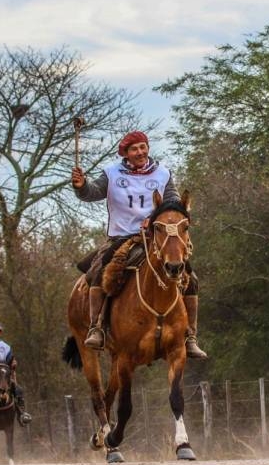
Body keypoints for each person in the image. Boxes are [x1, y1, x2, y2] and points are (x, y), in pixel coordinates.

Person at [71, 130, 208, 358]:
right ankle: (97, 328)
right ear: (126, 153)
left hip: (156, 236)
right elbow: (92, 193)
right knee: (97, 271)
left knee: (190, 277)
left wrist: (158, 216)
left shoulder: (162, 173)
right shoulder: (112, 173)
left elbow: (172, 201)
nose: (140, 152)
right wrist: (81, 186)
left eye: (143, 147)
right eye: (134, 149)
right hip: (122, 236)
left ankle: (190, 337)